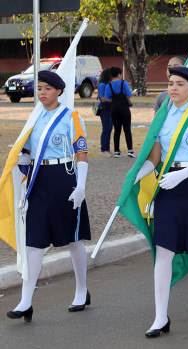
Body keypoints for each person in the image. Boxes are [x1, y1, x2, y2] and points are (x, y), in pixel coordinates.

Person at [134, 67, 188, 337]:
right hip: (168, 186)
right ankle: (160, 316)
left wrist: (183, 174)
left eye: (179, 84)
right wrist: (138, 174)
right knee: (164, 251)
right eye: (170, 83)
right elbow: (156, 156)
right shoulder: (163, 116)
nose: (173, 88)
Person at [7, 71, 91, 322]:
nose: (42, 93)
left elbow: (82, 154)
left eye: (47, 89)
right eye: (39, 88)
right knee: (34, 241)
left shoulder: (71, 116)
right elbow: (29, 153)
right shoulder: (35, 117)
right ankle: (25, 301)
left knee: (73, 239)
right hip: (38, 181)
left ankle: (81, 290)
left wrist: (81, 186)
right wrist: (16, 158)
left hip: (64, 179)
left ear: (59, 91)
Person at [103, 66, 135, 158]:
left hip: (114, 108)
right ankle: (130, 150)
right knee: (127, 129)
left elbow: (107, 97)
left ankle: (117, 151)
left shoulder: (108, 85)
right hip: (124, 108)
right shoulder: (123, 83)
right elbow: (129, 94)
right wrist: (133, 93)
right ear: (118, 74)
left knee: (117, 130)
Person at [97, 68, 113, 157]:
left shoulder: (108, 84)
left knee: (110, 128)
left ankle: (107, 148)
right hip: (105, 108)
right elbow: (103, 99)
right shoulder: (102, 85)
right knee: (106, 129)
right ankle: (103, 149)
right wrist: (113, 100)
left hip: (110, 108)